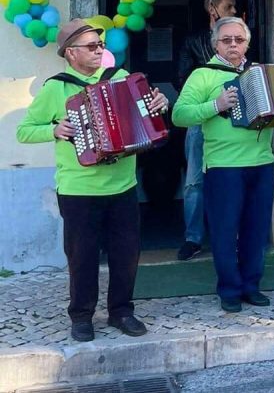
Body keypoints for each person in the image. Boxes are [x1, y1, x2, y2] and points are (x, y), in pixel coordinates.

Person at [16, 18, 169, 341]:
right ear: (70, 53)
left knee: (126, 254)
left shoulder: (121, 78)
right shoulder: (55, 88)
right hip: (78, 190)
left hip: (123, 186)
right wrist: (53, 129)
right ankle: (81, 315)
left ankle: (121, 311)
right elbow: (24, 130)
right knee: (82, 257)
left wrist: (159, 105)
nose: (100, 50)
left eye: (101, 45)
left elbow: (147, 115)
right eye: (92, 46)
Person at [172, 17, 274, 312]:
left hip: (261, 162)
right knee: (224, 229)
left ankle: (251, 285)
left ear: (247, 43)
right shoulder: (203, 75)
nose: (233, 44)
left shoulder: (262, 72)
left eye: (239, 39)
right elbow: (179, 115)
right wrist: (216, 105)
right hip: (223, 165)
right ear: (215, 44)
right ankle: (229, 289)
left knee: (255, 228)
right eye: (226, 40)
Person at [175, 0, 237, 261]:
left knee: (230, 179)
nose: (234, 11)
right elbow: (181, 79)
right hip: (201, 120)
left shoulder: (240, 41)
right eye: (229, 6)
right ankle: (193, 237)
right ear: (213, 10)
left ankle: (230, 236)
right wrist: (210, 91)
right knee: (194, 182)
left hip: (231, 122)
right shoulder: (193, 41)